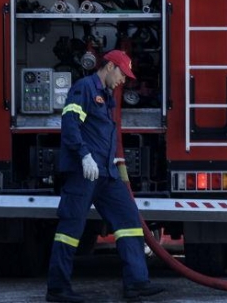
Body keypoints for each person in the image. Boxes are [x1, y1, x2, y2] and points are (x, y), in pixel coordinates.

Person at [46, 50, 164, 303]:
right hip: (84, 171)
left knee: (129, 221)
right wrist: (84, 155)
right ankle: (57, 288)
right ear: (110, 66)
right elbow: (69, 123)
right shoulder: (84, 88)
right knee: (70, 229)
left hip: (107, 173)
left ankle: (136, 283)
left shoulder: (106, 95)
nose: (124, 80)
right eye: (122, 73)